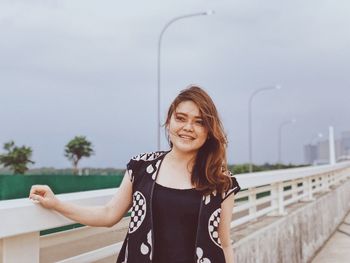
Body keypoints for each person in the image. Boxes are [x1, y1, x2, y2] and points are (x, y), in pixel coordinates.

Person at [29, 85, 241, 263]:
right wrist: (56, 204)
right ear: (169, 122)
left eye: (199, 121)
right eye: (181, 118)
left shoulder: (221, 182)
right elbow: (108, 214)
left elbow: (224, 243)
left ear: (209, 130)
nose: (188, 127)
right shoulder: (141, 168)